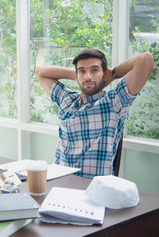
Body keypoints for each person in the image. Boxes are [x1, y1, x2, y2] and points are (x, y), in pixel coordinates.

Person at [35, 49, 153, 178]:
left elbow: (145, 59)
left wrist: (112, 75)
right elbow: (40, 72)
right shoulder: (67, 100)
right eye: (82, 71)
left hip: (92, 187)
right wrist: (77, 76)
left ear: (104, 74)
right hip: (58, 179)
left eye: (94, 70)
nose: (88, 76)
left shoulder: (113, 103)